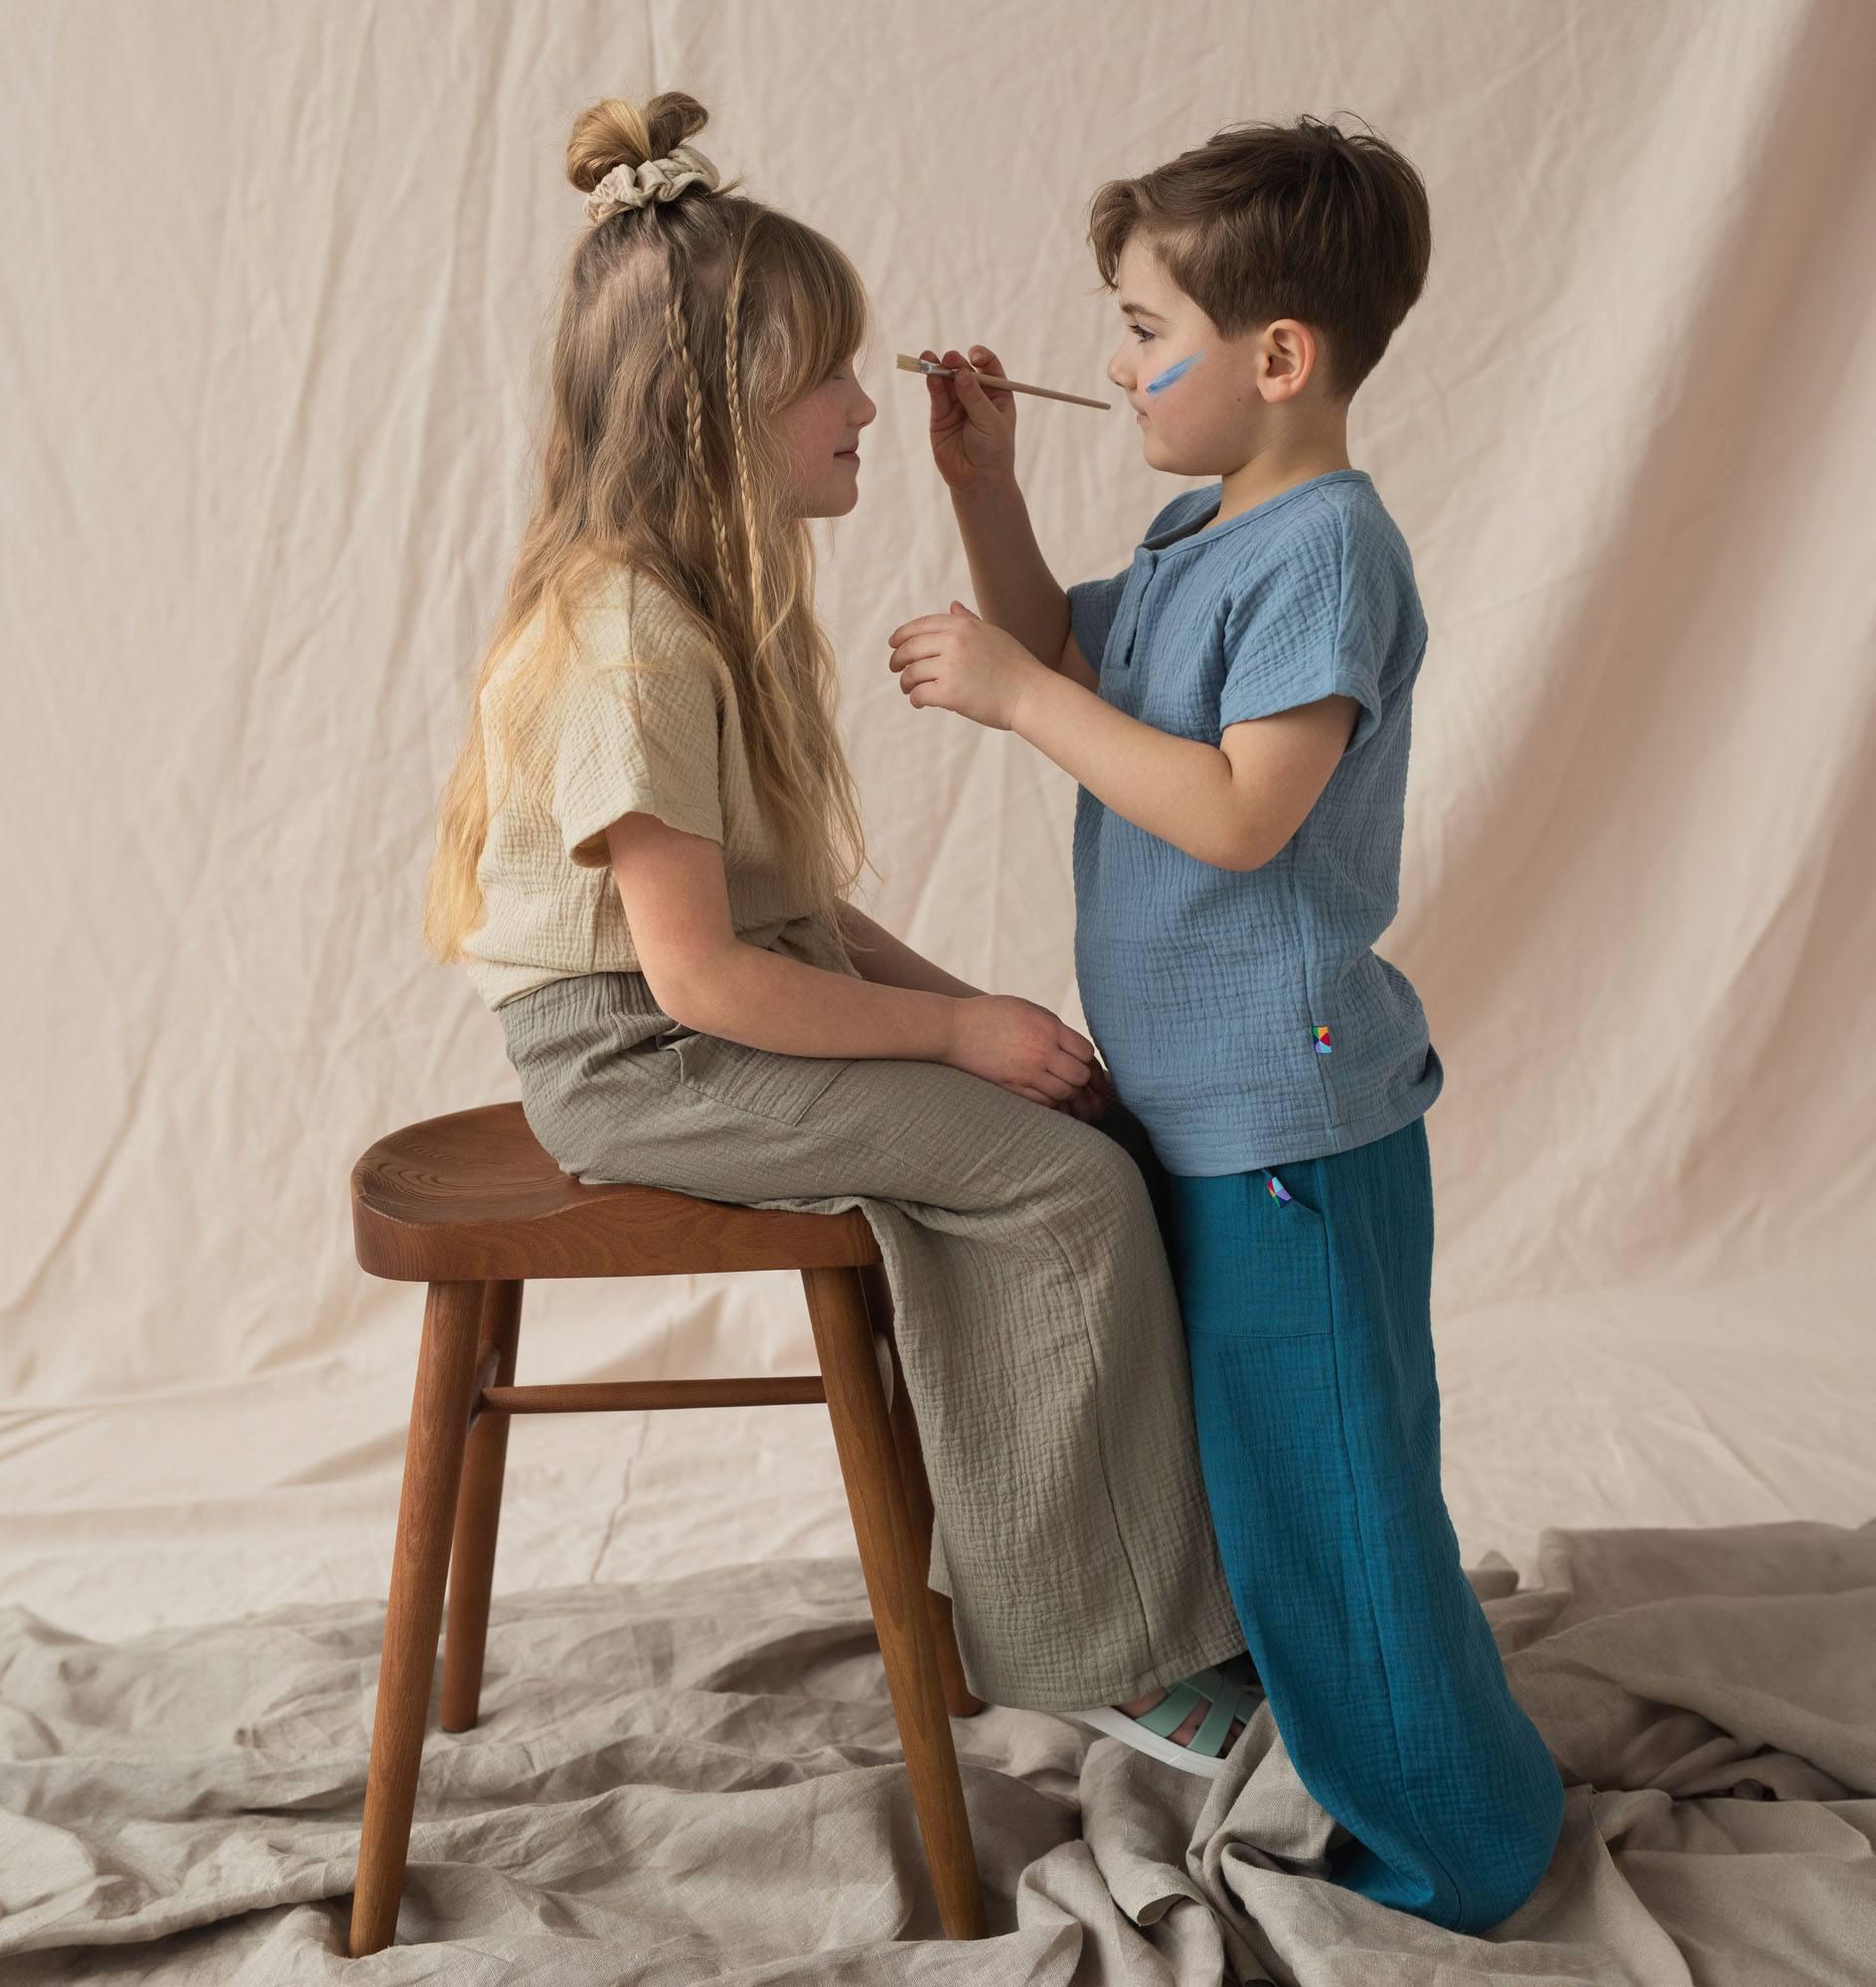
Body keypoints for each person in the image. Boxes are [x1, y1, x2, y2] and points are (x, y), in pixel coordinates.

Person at [420, 89, 1261, 1745]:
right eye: (825, 372)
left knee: (1078, 1123)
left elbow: (804, 919)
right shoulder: (636, 644)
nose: (861, 403)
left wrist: (999, 1022)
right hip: (642, 1062)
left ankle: (1062, 1589)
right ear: (711, 406)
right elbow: (702, 975)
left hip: (711, 1023)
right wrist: (961, 1037)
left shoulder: (699, 610)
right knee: (1066, 1190)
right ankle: (1114, 1652)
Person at [889, 115, 1565, 1928]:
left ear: (1279, 359)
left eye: (1136, 331)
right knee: (1264, 1494)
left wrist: (1023, 700)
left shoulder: (1328, 552)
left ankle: (1462, 1855)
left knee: (1336, 1508)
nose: (1113, 366)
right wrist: (984, 490)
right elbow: (1081, 654)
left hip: (1293, 1122)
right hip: (1208, 1111)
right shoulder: (1204, 528)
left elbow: (1244, 812)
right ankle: (1374, 1774)